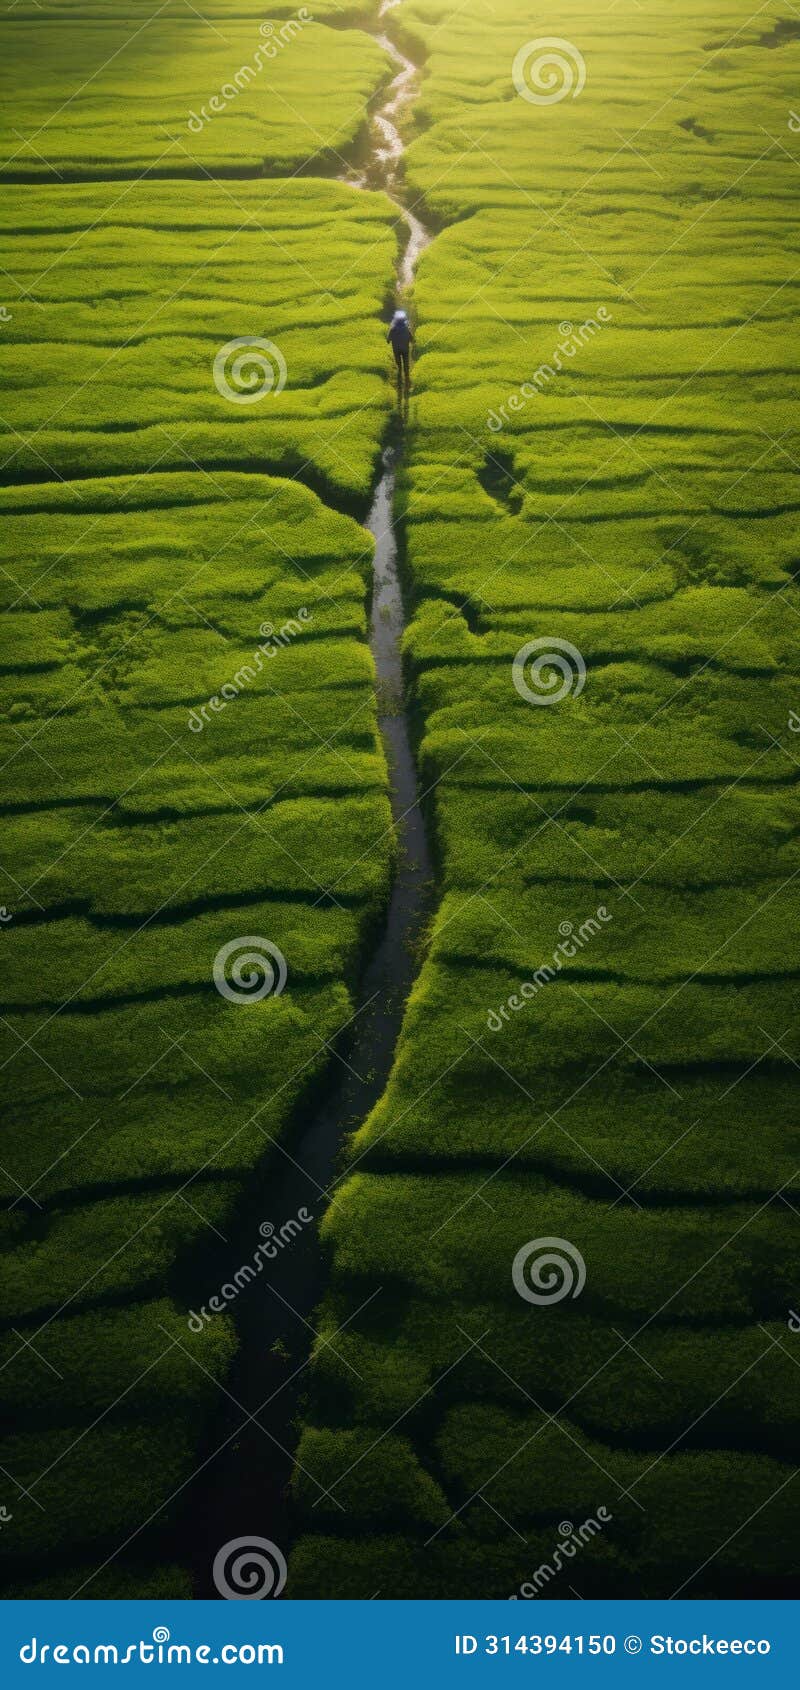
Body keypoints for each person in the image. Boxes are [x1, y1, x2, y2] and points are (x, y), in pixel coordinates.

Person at [387, 308, 413, 390]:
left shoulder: (393, 329)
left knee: (399, 363)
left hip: (396, 350)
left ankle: (400, 374)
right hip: (405, 349)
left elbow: (388, 340)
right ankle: (407, 378)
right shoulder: (406, 329)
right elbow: (412, 339)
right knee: (406, 363)